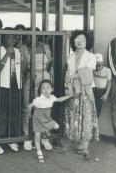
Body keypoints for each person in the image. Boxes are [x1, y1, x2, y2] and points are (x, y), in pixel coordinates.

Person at [65, 30, 98, 160]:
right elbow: (67, 73)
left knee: (86, 116)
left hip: (86, 90)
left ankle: (84, 145)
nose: (79, 41)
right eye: (77, 39)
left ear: (87, 42)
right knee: (75, 115)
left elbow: (87, 72)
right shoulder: (70, 56)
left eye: (82, 40)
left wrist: (72, 76)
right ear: (73, 41)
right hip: (74, 90)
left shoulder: (91, 56)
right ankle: (78, 142)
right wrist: (68, 86)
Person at [0, 28, 23, 154]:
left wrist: (23, 55)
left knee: (15, 113)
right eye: (9, 37)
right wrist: (6, 54)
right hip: (1, 86)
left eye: (14, 37)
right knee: (0, 114)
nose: (11, 40)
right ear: (4, 38)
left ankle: (12, 139)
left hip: (16, 87)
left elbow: (24, 70)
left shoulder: (18, 51)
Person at [22, 27, 53, 151]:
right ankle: (27, 137)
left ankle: (44, 138)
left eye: (33, 35)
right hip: (30, 79)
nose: (31, 37)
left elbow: (50, 63)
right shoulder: (24, 48)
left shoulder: (45, 47)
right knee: (28, 108)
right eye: (28, 35)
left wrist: (46, 76)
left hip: (44, 79)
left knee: (44, 109)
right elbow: (23, 68)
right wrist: (30, 71)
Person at [29, 80, 71, 163]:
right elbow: (30, 106)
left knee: (56, 126)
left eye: (48, 88)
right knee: (37, 136)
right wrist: (29, 115)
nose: (45, 90)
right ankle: (39, 151)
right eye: (43, 88)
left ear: (52, 89)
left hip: (46, 118)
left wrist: (68, 96)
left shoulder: (52, 97)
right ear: (40, 90)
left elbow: (59, 99)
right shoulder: (39, 99)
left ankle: (44, 139)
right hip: (38, 119)